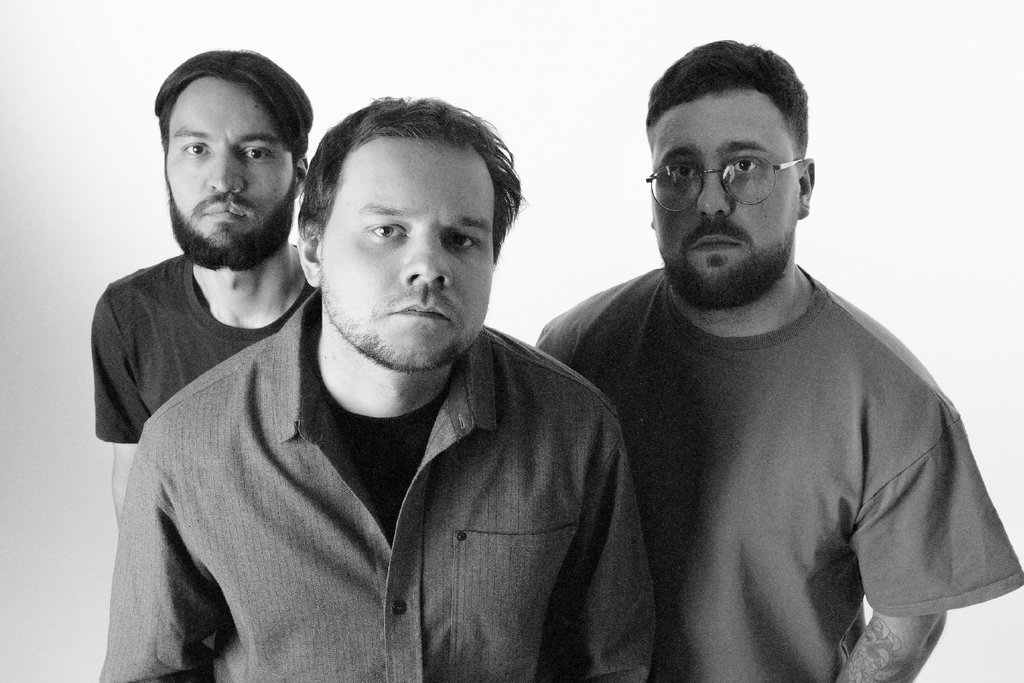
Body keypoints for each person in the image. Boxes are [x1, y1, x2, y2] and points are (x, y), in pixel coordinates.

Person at [101, 97, 654, 681]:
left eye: (462, 239)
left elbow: (611, 665)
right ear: (313, 248)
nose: (428, 267)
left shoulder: (575, 429)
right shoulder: (185, 448)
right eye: (387, 231)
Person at [538, 40, 1023, 681]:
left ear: (805, 187)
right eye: (680, 171)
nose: (712, 201)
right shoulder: (574, 352)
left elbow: (909, 623)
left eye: (746, 167)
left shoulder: (891, 399)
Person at [91, 50, 315, 523]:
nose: (223, 181)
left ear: (299, 173)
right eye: (196, 149)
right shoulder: (129, 313)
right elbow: (135, 481)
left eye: (255, 152)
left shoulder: (350, 312)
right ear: (167, 163)